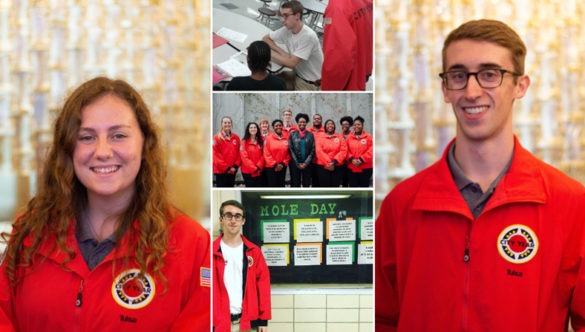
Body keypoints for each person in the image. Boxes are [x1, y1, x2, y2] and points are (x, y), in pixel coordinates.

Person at [376, 19, 585, 331]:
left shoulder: (571, 204)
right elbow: (380, 318)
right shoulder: (401, 205)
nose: (471, 92)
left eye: (490, 75)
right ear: (445, 88)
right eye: (459, 76)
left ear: (520, 85)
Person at [0, 77, 211, 331]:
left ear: (145, 144)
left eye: (118, 135)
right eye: (86, 137)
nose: (102, 151)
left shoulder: (191, 244)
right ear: (68, 149)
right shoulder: (31, 232)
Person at [213, 200, 271, 332]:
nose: (233, 220)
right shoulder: (211, 252)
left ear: (243, 221)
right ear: (221, 219)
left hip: (246, 324)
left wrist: (263, 320)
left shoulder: (254, 252)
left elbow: (263, 285)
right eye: (228, 215)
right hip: (219, 324)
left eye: (237, 216)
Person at [262, 0, 324, 91]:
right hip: (297, 74)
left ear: (297, 16)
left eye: (286, 16)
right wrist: (282, 52)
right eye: (282, 16)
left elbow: (291, 63)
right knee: (268, 81)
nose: (283, 20)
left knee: (270, 86)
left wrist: (266, 52)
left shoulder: (308, 36)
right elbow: (266, 38)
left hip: (309, 83)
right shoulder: (287, 29)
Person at [321, 0, 373, 91]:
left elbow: (337, 60)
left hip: (348, 84)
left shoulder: (336, 7)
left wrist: (328, 90)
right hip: (362, 72)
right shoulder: (364, 2)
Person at [315, 119, 347, 187]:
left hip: (337, 166)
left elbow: (343, 150)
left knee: (335, 186)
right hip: (322, 166)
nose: (330, 125)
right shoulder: (320, 137)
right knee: (324, 186)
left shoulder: (340, 137)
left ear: (334, 126)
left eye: (332, 124)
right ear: (325, 126)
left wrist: (334, 163)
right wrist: (328, 163)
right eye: (328, 124)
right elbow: (319, 151)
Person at [288, 113, 315, 187]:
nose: (302, 123)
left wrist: (306, 163)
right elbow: (291, 149)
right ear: (297, 122)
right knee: (295, 183)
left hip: (307, 164)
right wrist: (297, 163)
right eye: (300, 122)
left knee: (306, 183)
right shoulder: (292, 134)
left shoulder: (310, 134)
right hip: (295, 164)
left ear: (306, 123)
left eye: (304, 122)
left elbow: (312, 149)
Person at [213, 116, 241, 187]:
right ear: (222, 124)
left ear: (231, 124)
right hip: (221, 171)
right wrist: (227, 168)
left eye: (229, 123)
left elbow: (239, 153)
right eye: (225, 123)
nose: (227, 124)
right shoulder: (216, 138)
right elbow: (216, 155)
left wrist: (235, 166)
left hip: (232, 171)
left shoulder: (236, 137)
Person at [345, 116, 372, 187]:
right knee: (353, 187)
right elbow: (345, 150)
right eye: (355, 125)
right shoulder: (349, 137)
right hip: (352, 167)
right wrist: (351, 159)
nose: (356, 126)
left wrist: (361, 159)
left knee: (364, 187)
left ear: (362, 125)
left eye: (358, 124)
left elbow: (371, 150)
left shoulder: (368, 137)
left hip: (365, 168)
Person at [263, 120, 290, 187]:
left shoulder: (286, 138)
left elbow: (289, 153)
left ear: (282, 127)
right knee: (272, 186)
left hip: (282, 167)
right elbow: (266, 153)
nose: (278, 127)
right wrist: (275, 165)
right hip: (271, 168)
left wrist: (283, 164)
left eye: (280, 125)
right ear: (273, 127)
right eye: (276, 126)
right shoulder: (268, 139)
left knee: (281, 185)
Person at [240, 122, 265, 187]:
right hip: (247, 171)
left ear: (257, 129)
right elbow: (244, 157)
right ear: (248, 129)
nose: (253, 129)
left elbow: (264, 154)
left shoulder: (262, 140)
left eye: (254, 127)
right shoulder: (243, 142)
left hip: (259, 170)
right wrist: (254, 168)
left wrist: (259, 167)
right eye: (251, 127)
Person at [308, 114, 324, 187]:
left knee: (322, 181)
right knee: (313, 182)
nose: (317, 120)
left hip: (322, 161)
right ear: (313, 120)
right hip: (311, 160)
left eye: (318, 119)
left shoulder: (325, 130)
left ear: (321, 120)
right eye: (315, 119)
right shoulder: (308, 131)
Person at [339, 115, 354, 187]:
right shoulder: (339, 136)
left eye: (346, 124)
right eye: (343, 124)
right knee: (343, 181)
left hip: (351, 162)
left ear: (350, 125)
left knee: (351, 181)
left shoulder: (354, 135)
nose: (344, 126)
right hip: (342, 162)